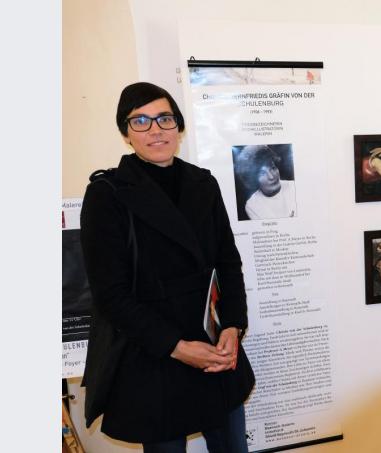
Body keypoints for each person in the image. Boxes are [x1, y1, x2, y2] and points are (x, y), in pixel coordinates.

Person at [80, 82, 255, 452]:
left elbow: (227, 262)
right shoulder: (107, 195)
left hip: (214, 346)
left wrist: (234, 326)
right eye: (140, 121)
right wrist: (175, 347)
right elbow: (110, 295)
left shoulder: (203, 183)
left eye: (164, 118)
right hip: (155, 353)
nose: (155, 129)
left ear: (179, 126)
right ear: (126, 133)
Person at [242, 145, 297, 220]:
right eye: (262, 173)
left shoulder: (294, 186)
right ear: (254, 179)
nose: (271, 177)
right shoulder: (252, 205)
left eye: (273, 168)